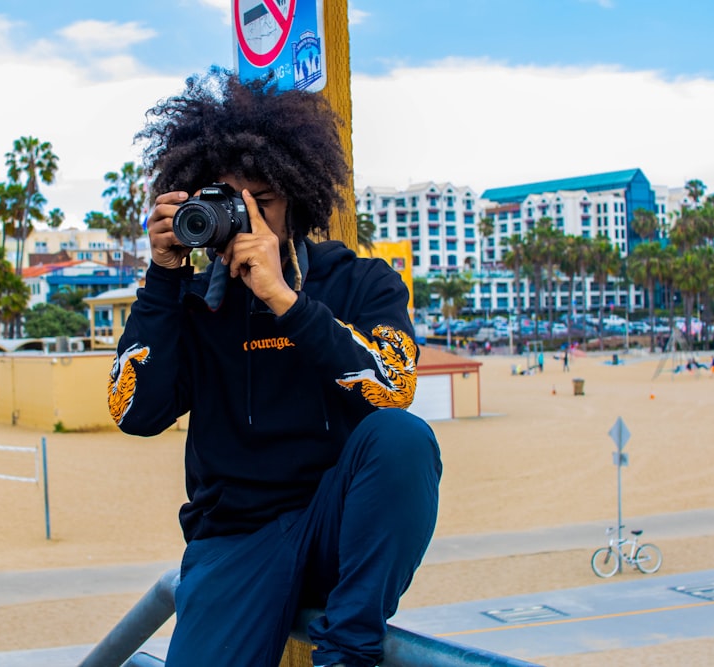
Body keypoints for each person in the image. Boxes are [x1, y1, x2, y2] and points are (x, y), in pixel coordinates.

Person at [108, 68, 442, 667]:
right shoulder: (187, 303)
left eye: (262, 203)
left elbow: (396, 386)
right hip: (231, 543)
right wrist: (162, 275)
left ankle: (350, 652)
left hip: (335, 531)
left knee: (403, 439)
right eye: (227, 203)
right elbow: (133, 412)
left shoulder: (360, 281)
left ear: (298, 199)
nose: (246, 221)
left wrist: (285, 299)